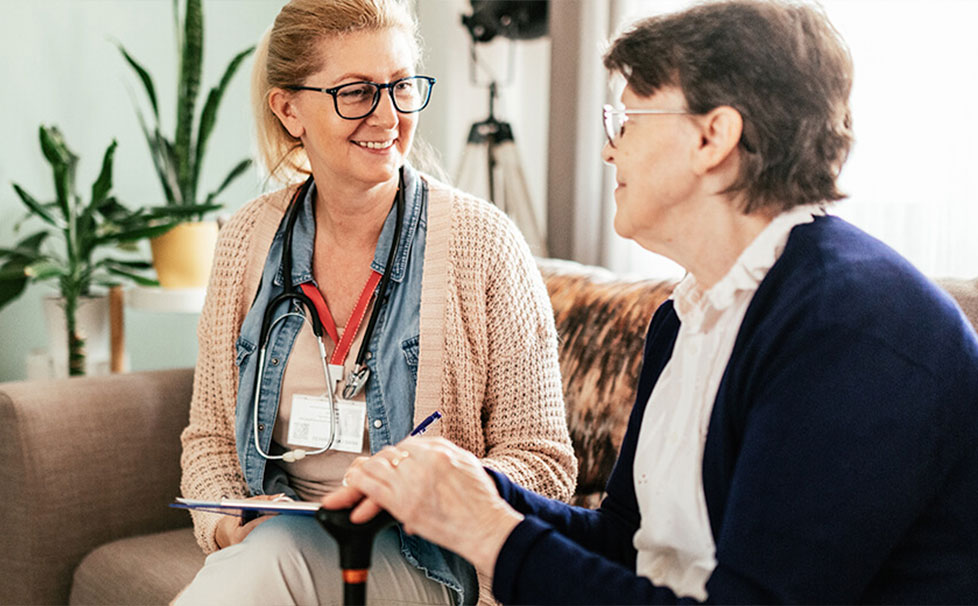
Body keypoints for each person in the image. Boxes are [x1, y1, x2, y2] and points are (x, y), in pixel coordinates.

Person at [325, 0, 978, 603]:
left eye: (627, 119)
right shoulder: (688, 315)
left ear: (712, 138)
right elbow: (628, 541)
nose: (610, 149)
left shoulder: (849, 328)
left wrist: (490, 531)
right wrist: (475, 487)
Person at [175, 0, 577, 604]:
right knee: (271, 554)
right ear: (289, 109)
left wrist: (426, 490)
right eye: (358, 92)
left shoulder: (483, 243)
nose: (388, 116)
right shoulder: (245, 241)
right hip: (277, 541)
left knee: (270, 566)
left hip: (432, 557)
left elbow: (545, 463)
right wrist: (230, 525)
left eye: (401, 87)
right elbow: (208, 438)